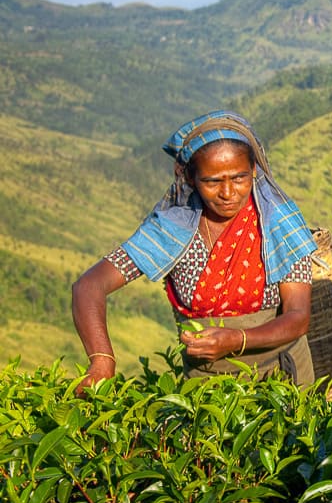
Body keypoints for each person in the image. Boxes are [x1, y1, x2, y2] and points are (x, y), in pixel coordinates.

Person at [72, 110, 319, 393]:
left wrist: (237, 339)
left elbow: (298, 317)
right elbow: (89, 286)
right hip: (206, 390)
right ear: (189, 177)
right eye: (212, 181)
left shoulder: (279, 224)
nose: (228, 193)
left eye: (239, 178)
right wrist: (102, 361)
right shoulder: (174, 229)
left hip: (283, 379)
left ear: (254, 170)